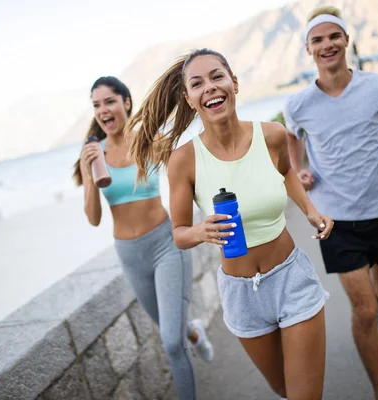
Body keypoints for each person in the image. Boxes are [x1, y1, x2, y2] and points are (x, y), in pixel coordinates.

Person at [128, 49, 334, 400]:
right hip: (241, 295)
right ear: (189, 99)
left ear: (234, 83)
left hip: (291, 279)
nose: (209, 87)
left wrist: (310, 210)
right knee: (285, 388)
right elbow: (178, 234)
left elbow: (285, 172)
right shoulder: (183, 160)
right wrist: (199, 231)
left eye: (217, 76)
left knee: (304, 395)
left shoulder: (272, 135)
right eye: (197, 83)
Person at [283, 6, 378, 400]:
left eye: (333, 37)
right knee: (362, 311)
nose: (327, 45)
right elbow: (292, 138)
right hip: (334, 218)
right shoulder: (298, 104)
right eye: (318, 40)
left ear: (346, 40)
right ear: (308, 49)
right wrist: (299, 170)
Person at [72, 76, 214, 400]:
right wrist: (89, 172)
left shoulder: (150, 142)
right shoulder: (94, 155)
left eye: (109, 101)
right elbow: (93, 219)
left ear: (125, 102)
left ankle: (187, 342)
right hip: (130, 255)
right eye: (96, 105)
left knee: (171, 343)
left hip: (166, 245)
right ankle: (195, 332)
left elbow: (189, 176)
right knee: (172, 330)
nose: (103, 110)